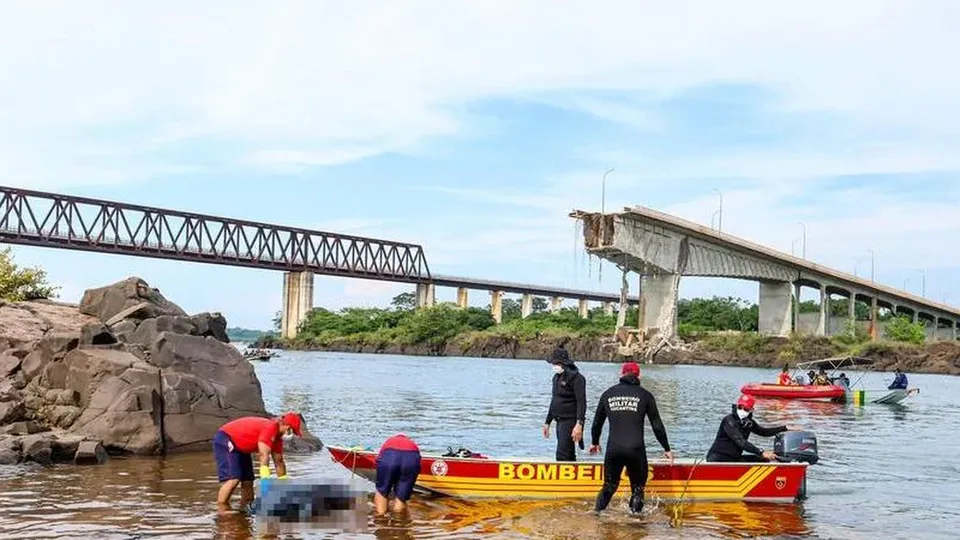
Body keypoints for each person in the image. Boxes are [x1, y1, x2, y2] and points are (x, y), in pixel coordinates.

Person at [589, 361, 674, 514]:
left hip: (613, 449)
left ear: (621, 374)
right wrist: (666, 448)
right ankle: (635, 521)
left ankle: (596, 515)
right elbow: (657, 426)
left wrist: (595, 442)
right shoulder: (645, 395)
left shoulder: (608, 394)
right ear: (638, 375)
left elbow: (596, 423)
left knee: (609, 486)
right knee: (637, 488)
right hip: (636, 450)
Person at [213, 412, 304, 513]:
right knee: (233, 479)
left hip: (242, 447)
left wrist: (285, 486)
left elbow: (279, 462)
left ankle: (246, 511)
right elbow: (263, 456)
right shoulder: (270, 428)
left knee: (248, 481)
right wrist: (266, 486)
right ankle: (221, 511)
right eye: (292, 431)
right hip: (227, 438)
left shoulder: (278, 439)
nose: (291, 435)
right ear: (287, 427)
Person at [706, 395, 799, 462]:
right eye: (740, 407)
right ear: (737, 406)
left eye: (746, 409)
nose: (742, 411)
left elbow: (764, 432)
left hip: (734, 458)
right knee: (761, 456)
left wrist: (785, 428)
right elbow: (740, 442)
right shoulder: (729, 420)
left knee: (765, 460)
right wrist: (761, 452)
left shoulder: (749, 423)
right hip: (718, 458)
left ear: (751, 410)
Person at [543, 345, 587, 461]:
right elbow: (555, 400)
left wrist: (579, 424)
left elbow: (581, 402)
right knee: (566, 452)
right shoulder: (556, 377)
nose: (554, 366)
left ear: (563, 364)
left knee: (563, 454)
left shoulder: (577, 378)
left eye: (555, 364)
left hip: (570, 420)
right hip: (559, 419)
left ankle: (564, 476)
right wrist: (547, 422)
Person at [374, 434, 422, 515]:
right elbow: (418, 461)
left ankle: (380, 518)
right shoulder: (412, 443)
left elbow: (378, 461)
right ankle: (398, 520)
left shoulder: (389, 442)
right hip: (411, 459)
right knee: (401, 498)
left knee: (382, 493)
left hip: (390, 456)